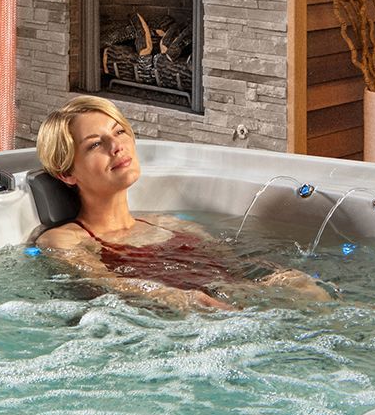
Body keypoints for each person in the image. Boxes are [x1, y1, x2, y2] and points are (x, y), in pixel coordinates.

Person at [32, 96, 328, 312]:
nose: (117, 146)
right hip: (169, 322)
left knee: (300, 284)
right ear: (66, 173)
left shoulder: (169, 223)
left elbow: (237, 270)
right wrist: (177, 298)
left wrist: (276, 281)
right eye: (95, 144)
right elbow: (107, 282)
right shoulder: (65, 239)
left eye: (119, 131)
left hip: (228, 309)